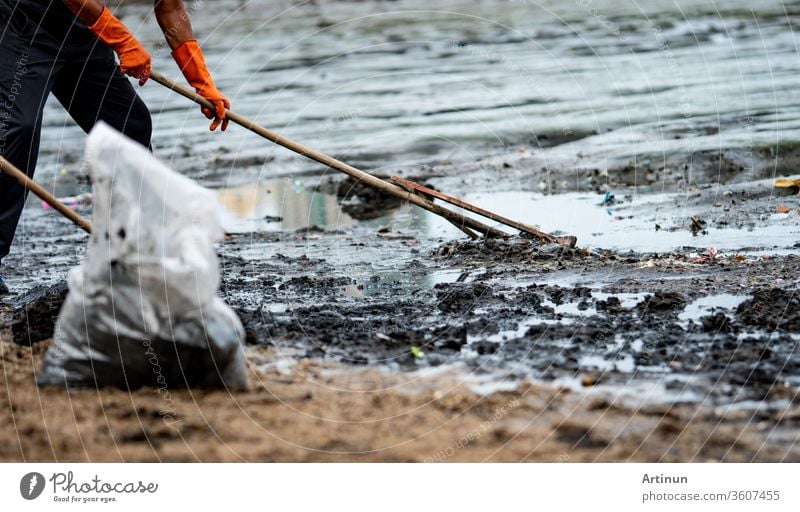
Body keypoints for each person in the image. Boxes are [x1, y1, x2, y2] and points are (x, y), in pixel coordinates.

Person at [0, 0, 229, 294]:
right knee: (16, 128)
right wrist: (122, 40)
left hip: (82, 29)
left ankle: (135, 246)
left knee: (130, 125)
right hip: (22, 24)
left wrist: (201, 81)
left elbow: (170, 9)